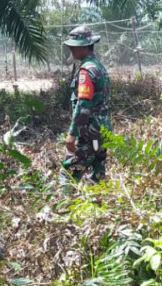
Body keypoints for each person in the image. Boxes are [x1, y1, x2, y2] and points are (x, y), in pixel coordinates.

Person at [62, 25, 112, 183]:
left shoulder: (86, 71)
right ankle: (97, 202)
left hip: (89, 134)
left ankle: (65, 204)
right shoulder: (99, 68)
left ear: (84, 46)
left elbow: (83, 105)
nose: (71, 50)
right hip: (101, 132)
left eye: (74, 47)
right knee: (97, 171)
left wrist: (72, 134)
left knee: (69, 172)